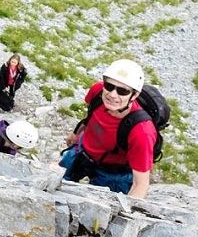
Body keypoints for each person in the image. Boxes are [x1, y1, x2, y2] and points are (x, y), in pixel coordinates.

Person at [59, 59, 157, 198]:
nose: (112, 94)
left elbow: (140, 184)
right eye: (109, 86)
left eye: (122, 91)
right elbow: (90, 117)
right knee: (56, 180)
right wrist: (76, 134)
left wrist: (125, 216)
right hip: (82, 150)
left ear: (134, 95)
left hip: (113, 172)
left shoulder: (142, 132)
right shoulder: (98, 92)